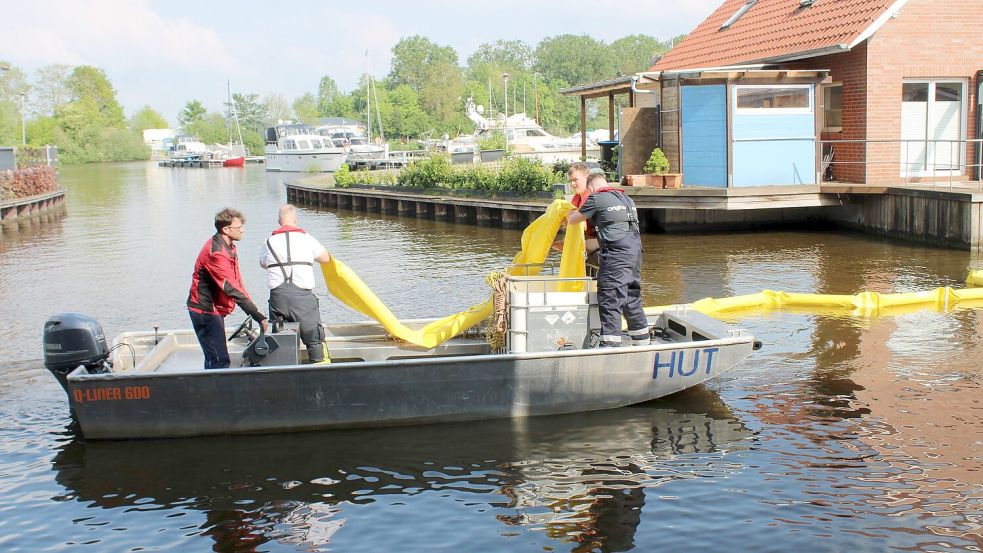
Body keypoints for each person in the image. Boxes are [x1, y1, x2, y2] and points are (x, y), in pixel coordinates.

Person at [567, 173, 649, 348]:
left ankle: (610, 347)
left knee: (610, 298)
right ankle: (642, 342)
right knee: (631, 296)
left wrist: (567, 211)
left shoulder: (596, 198)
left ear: (590, 188)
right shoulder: (626, 199)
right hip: (635, 253)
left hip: (616, 254)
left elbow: (573, 220)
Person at [187, 208, 267, 369]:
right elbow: (232, 289)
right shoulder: (216, 253)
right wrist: (258, 316)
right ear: (226, 229)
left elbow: (238, 284)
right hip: (205, 310)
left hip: (214, 310)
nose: (242, 230)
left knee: (217, 358)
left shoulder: (228, 247)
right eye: (239, 227)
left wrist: (255, 310)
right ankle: (213, 392)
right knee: (218, 360)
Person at [259, 204, 333, 363]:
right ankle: (321, 372)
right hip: (303, 299)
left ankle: (285, 375)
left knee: (281, 343)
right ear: (295, 219)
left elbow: (263, 263)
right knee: (314, 340)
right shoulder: (307, 238)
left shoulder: (269, 241)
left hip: (278, 299)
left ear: (279, 220)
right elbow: (326, 258)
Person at [553, 162, 600, 255]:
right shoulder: (576, 199)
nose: (573, 184)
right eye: (570, 181)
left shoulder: (593, 198)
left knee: (572, 248)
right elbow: (572, 225)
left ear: (587, 178)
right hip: (587, 239)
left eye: (575, 180)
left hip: (600, 240)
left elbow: (582, 225)